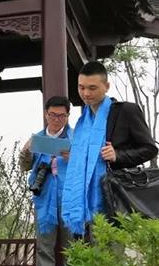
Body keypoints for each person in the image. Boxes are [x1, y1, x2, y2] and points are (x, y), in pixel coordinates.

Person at [62, 61, 158, 237]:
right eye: (81, 87)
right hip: (84, 205)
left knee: (114, 251)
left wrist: (117, 155)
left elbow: (150, 148)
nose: (86, 93)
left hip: (116, 199)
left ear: (106, 86)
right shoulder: (83, 122)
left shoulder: (125, 111)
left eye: (92, 88)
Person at [18, 96, 72, 266]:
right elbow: (24, 166)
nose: (57, 119)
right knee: (44, 244)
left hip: (69, 197)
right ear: (45, 114)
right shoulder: (38, 139)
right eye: (53, 115)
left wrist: (73, 157)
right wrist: (26, 151)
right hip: (45, 197)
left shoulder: (75, 138)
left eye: (61, 116)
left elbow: (85, 168)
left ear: (68, 116)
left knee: (71, 244)